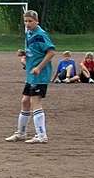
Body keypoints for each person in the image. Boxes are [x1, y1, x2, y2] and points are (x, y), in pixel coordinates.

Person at [5, 10, 56, 144]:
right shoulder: (29, 33)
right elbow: (34, 51)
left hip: (40, 75)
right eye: (25, 21)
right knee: (25, 101)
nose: (27, 24)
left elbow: (51, 52)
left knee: (35, 102)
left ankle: (41, 135)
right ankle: (21, 133)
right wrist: (24, 54)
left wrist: (39, 67)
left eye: (30, 21)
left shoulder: (41, 35)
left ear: (37, 21)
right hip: (31, 75)